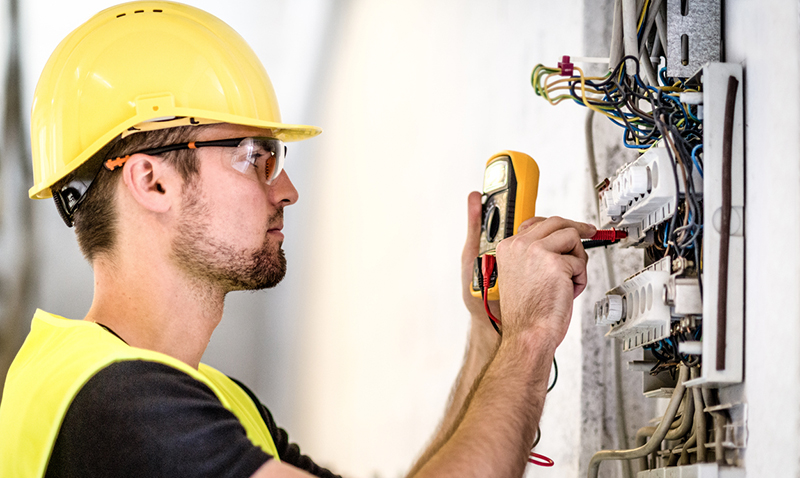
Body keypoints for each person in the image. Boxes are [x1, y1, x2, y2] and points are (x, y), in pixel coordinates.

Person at [0, 2, 595, 477]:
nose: (286, 189)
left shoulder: (209, 401)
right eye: (255, 157)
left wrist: (490, 335)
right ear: (152, 181)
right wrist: (532, 334)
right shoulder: (115, 405)